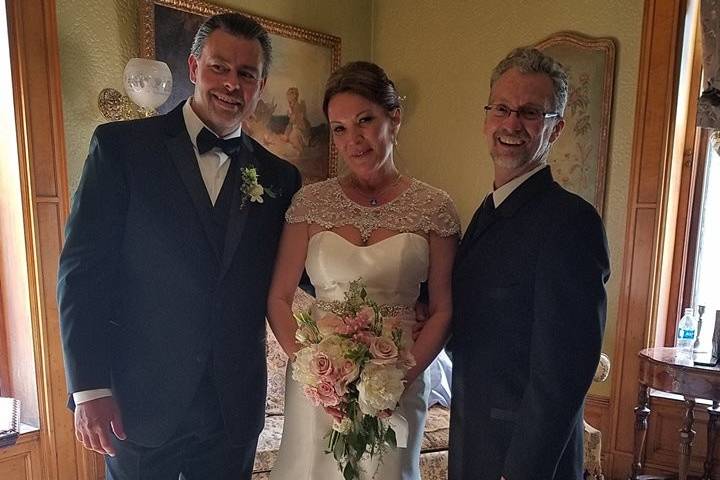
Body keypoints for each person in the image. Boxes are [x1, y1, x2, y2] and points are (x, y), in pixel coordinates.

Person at [57, 13, 301, 480]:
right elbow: (82, 271)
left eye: (246, 73)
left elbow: (300, 268)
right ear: (193, 68)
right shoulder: (122, 148)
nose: (232, 84)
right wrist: (88, 388)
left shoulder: (280, 178)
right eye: (219, 67)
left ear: (261, 84)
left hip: (232, 410)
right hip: (138, 404)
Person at [266, 61, 460, 479]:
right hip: (317, 386)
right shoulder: (310, 203)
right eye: (338, 128)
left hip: (397, 383)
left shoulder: (435, 207)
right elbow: (279, 297)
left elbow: (443, 309)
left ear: (395, 117)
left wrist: (400, 379)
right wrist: (315, 375)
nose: (353, 140)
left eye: (364, 121)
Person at [449, 47, 610, 480]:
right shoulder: (487, 212)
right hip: (472, 443)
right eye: (501, 108)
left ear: (555, 130)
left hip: (524, 461)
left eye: (531, 113)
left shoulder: (571, 222)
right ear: (486, 118)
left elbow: (563, 374)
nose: (511, 124)